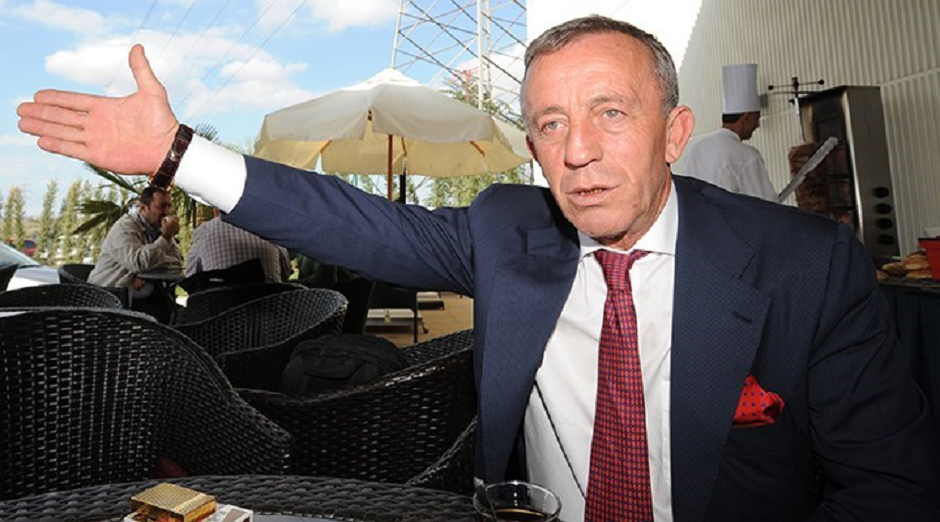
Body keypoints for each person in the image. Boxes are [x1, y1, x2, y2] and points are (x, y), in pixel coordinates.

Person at [17, 15, 940, 522]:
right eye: (550, 124)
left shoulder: (806, 265)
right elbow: (351, 219)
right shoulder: (508, 233)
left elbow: (892, 488)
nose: (577, 151)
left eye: (611, 113)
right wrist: (178, 152)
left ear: (676, 132)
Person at [683, 63, 778, 201]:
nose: (757, 125)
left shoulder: (695, 149)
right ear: (746, 118)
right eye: (756, 119)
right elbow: (767, 205)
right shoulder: (747, 155)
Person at [87, 186, 183, 323]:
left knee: (178, 314)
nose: (167, 212)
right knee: (164, 319)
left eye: (169, 206)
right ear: (143, 208)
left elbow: (177, 261)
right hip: (110, 297)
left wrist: (144, 271)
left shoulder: (160, 229)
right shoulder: (125, 227)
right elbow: (138, 262)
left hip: (138, 294)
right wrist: (165, 238)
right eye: (162, 206)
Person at [186, 208, 291, 283]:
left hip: (221, 305)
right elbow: (285, 271)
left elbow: (191, 275)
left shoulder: (205, 231)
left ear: (216, 211)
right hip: (270, 305)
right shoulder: (269, 226)